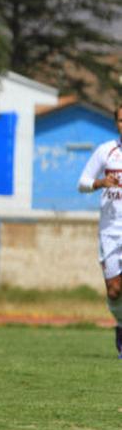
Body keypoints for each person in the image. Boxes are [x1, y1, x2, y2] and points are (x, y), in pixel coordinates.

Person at [78, 103, 122, 359]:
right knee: (114, 290)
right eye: (120, 120)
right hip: (109, 231)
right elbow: (81, 183)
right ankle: (120, 324)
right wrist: (100, 182)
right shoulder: (106, 152)